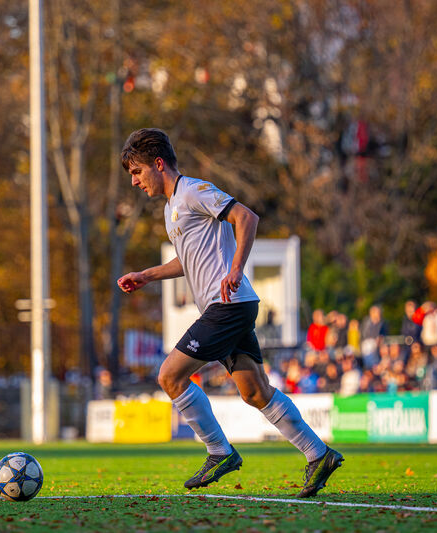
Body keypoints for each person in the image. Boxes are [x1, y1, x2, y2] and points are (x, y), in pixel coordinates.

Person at [116, 129, 342, 497]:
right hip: (229, 308)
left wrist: (236, 269)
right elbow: (188, 260)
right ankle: (319, 455)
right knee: (254, 392)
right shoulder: (172, 207)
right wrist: (147, 275)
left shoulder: (191, 190)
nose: (134, 181)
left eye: (137, 171)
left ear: (159, 164)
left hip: (228, 306)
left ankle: (219, 451)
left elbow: (246, 217)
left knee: (170, 376)